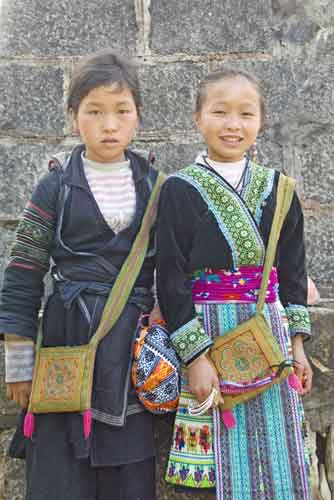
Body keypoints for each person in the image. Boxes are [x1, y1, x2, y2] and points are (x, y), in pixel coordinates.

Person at [0, 49, 160, 500]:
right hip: (65, 344)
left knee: (129, 478)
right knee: (59, 477)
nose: (109, 125)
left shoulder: (156, 187)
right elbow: (24, 273)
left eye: (121, 112)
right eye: (94, 111)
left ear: (137, 118)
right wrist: (19, 364)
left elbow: (173, 267)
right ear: (74, 118)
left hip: (130, 351)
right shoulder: (55, 187)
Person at [156, 68, 313, 499]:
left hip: (269, 336)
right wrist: (196, 358)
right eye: (219, 112)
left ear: (260, 121)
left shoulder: (280, 190)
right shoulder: (178, 190)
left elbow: (293, 272)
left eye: (246, 113)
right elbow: (169, 277)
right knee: (212, 468)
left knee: (278, 463)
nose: (233, 124)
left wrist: (297, 345)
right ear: (197, 118)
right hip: (208, 335)